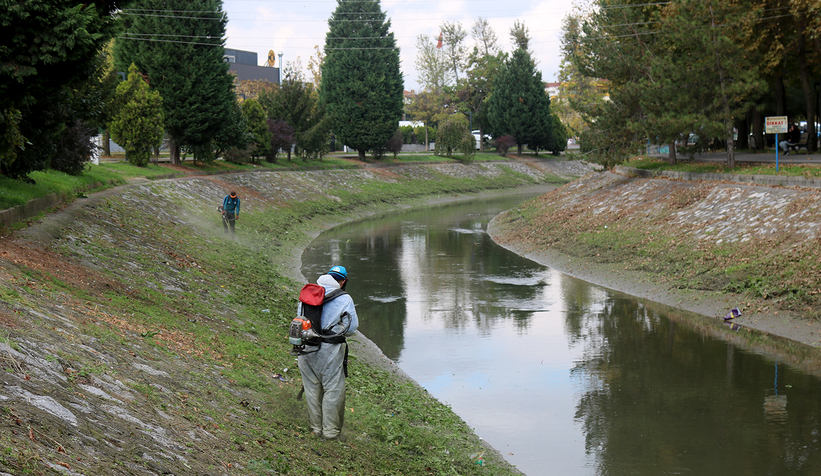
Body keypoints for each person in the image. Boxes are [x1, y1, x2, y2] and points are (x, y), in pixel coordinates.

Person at [297, 265, 359, 440]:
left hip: (305, 347)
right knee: (332, 389)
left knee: (311, 388)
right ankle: (330, 432)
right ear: (343, 281)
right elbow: (352, 328)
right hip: (329, 351)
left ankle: (315, 429)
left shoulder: (308, 291)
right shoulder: (344, 298)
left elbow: (300, 319)